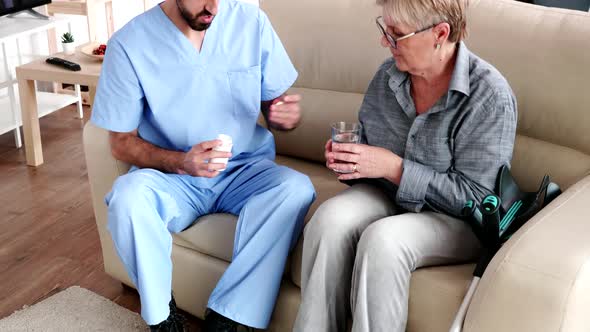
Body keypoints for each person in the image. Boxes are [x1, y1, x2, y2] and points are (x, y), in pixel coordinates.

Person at [90, 0, 316, 331]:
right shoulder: (129, 44)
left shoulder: (250, 22)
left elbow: (274, 104)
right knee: (128, 198)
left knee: (296, 188)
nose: (213, 6)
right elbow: (120, 141)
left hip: (243, 170)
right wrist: (180, 161)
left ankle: (227, 318)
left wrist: (284, 115)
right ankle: (163, 318)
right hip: (173, 178)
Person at [293, 0, 517, 331]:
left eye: (396, 34)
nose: (385, 42)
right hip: (389, 197)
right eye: (384, 29)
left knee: (384, 241)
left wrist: (395, 167)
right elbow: (370, 149)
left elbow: (478, 199)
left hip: (459, 220)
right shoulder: (388, 77)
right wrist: (354, 161)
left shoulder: (488, 96)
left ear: (440, 33)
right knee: (330, 221)